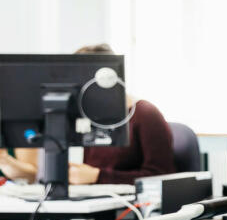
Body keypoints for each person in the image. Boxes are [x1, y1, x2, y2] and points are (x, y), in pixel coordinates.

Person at [0, 44, 176, 185]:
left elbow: (163, 176)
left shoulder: (144, 114)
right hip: (84, 203)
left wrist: (98, 176)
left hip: (125, 211)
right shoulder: (78, 117)